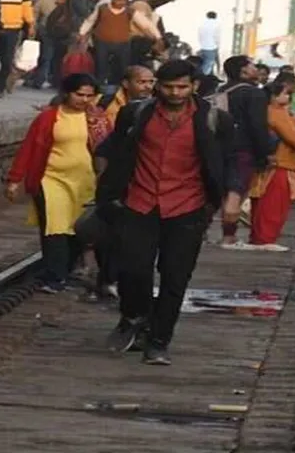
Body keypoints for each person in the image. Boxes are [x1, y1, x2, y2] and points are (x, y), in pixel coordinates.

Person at [96, 59, 243, 364]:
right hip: (139, 202)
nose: (175, 93)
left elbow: (234, 161)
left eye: (182, 87)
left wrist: (233, 196)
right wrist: (106, 187)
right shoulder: (136, 114)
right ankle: (134, 315)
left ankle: (159, 340)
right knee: (133, 270)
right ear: (158, 87)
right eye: (168, 87)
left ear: (194, 87)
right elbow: (112, 150)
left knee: (175, 277)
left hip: (188, 206)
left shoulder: (216, 120)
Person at [5, 73, 111, 292]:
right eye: (79, 94)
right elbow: (29, 148)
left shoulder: (98, 120)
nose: (84, 100)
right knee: (54, 227)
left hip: (85, 182)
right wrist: (15, 179)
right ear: (67, 93)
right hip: (52, 179)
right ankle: (55, 275)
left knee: (78, 229)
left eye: (89, 96)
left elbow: (110, 151)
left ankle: (66, 269)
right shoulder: (49, 118)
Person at [244, 79, 295, 251]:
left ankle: (259, 238)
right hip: (282, 163)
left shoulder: (268, 111)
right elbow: (294, 138)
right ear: (274, 96)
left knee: (262, 203)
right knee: (274, 205)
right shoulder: (278, 113)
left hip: (272, 163)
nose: (289, 97)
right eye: (286, 93)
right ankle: (265, 239)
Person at [219, 55, 273, 247]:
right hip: (243, 149)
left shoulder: (220, 91)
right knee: (236, 191)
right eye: (252, 66)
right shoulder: (254, 94)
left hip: (219, 148)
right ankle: (228, 237)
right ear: (243, 71)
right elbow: (258, 126)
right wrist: (264, 153)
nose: (256, 69)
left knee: (223, 192)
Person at [197, 11, 220, 76]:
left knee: (204, 63)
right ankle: (202, 78)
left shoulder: (202, 24)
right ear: (215, 16)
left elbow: (199, 35)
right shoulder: (216, 24)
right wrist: (217, 45)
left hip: (203, 47)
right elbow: (217, 36)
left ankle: (207, 77)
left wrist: (202, 44)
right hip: (212, 47)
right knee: (209, 64)